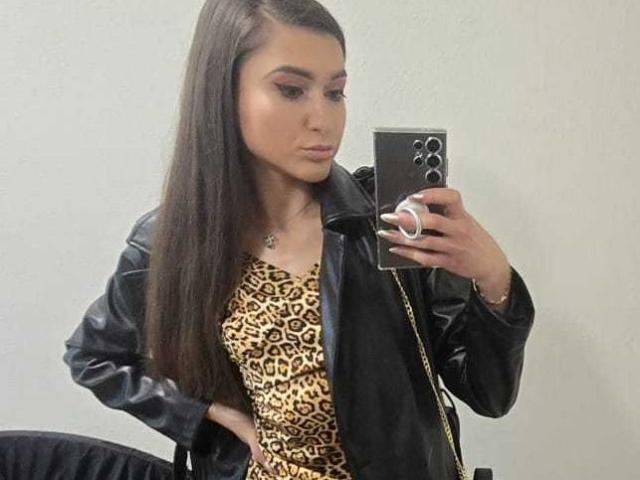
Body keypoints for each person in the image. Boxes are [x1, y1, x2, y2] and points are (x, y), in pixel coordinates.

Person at [62, 1, 536, 479]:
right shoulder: (174, 241)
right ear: (223, 93)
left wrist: (493, 278)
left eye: (335, 92)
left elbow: (487, 393)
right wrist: (199, 413)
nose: (322, 119)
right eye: (291, 90)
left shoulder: (387, 222)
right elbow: (94, 355)